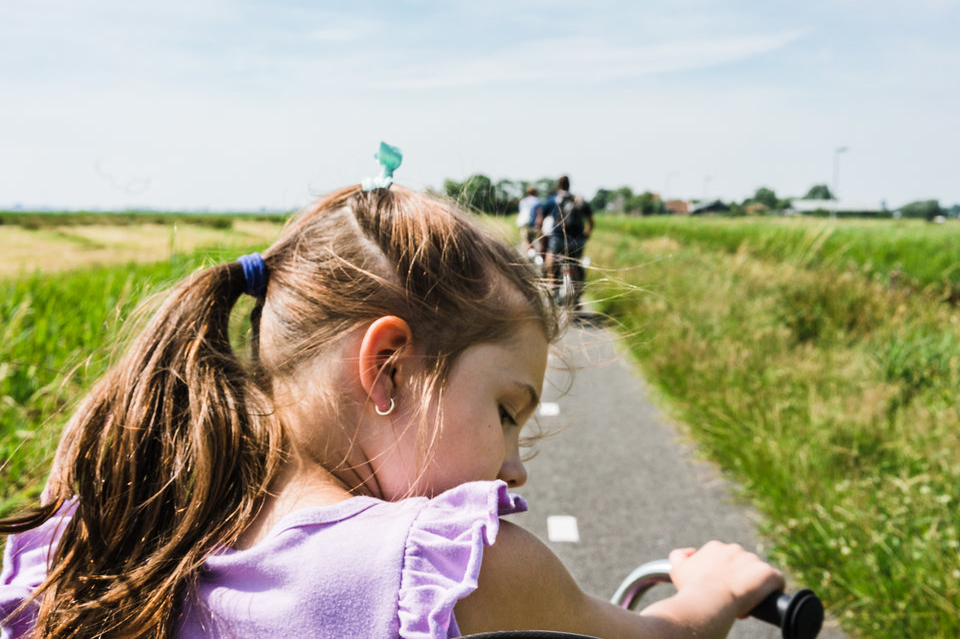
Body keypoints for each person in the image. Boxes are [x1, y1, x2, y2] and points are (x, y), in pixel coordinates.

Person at [0, 146, 783, 639]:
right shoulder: (437, 567)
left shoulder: (104, 512)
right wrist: (714, 595)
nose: (517, 468)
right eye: (508, 412)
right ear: (387, 368)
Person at [537, 175, 594, 302]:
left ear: (558, 185)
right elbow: (591, 221)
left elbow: (540, 220)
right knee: (576, 261)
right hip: (578, 240)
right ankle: (579, 287)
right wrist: (587, 233)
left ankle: (551, 282)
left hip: (558, 238)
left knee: (550, 257)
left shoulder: (553, 199)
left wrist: (540, 235)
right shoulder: (578, 199)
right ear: (569, 185)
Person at [515, 186, 541, 256]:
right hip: (533, 226)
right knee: (535, 244)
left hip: (524, 226)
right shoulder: (537, 201)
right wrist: (539, 226)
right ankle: (536, 259)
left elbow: (520, 214)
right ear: (535, 192)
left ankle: (525, 259)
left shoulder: (523, 201)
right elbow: (539, 215)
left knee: (525, 242)